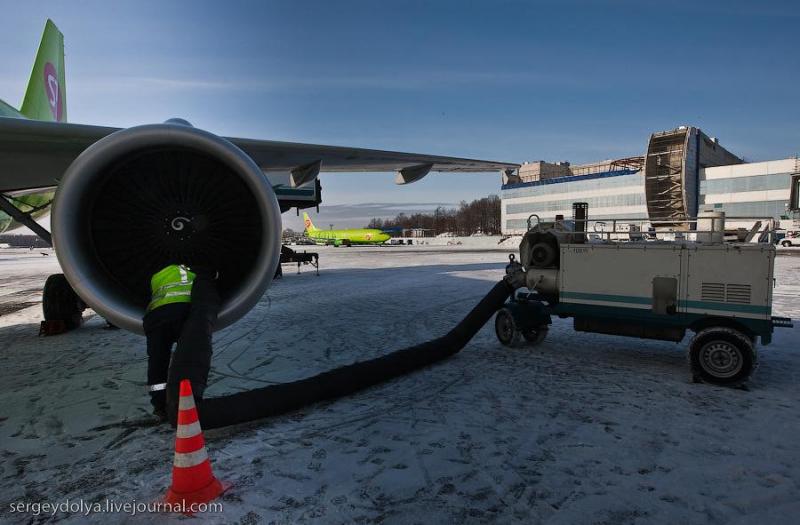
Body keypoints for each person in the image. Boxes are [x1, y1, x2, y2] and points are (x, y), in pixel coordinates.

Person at [142, 264, 220, 423]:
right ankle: (186, 400)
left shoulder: (156, 276)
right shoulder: (194, 273)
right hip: (183, 311)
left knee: (157, 362)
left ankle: (159, 405)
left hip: (155, 317)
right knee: (190, 356)